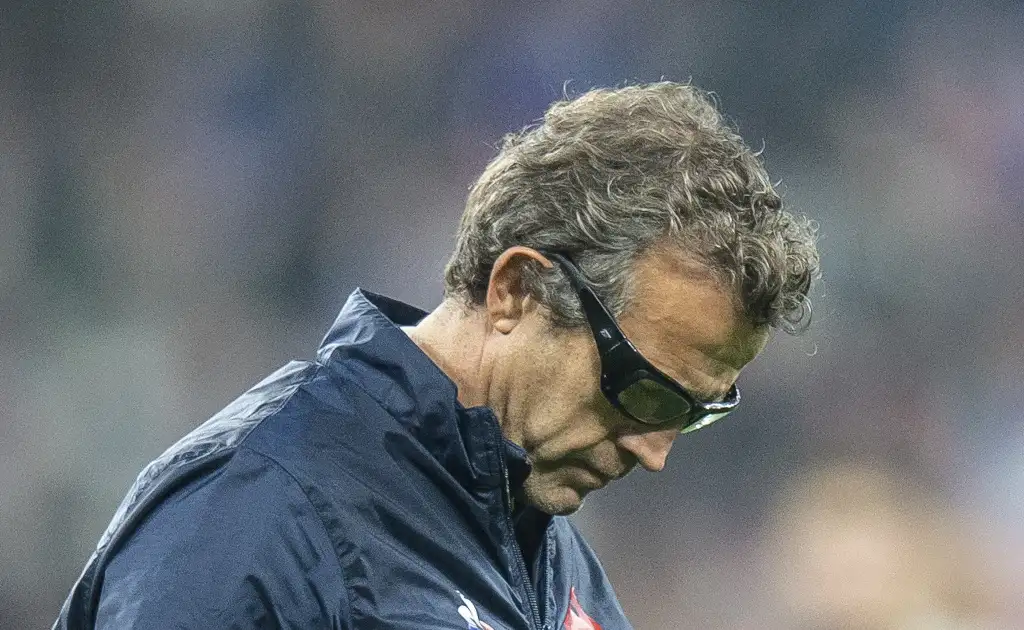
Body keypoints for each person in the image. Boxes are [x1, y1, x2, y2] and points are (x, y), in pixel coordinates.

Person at [55, 81, 819, 629]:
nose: (655, 453)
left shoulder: (564, 574)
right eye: (645, 391)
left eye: (692, 414)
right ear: (517, 289)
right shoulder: (255, 514)